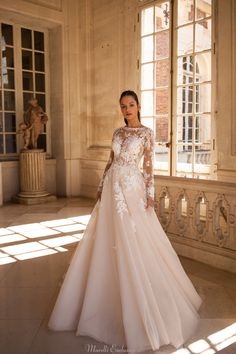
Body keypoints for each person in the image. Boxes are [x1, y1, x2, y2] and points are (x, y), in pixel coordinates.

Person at [48, 90, 202, 352]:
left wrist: (150, 195)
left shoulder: (146, 133)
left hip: (132, 188)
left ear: (138, 106)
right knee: (107, 239)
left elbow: (149, 167)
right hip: (111, 187)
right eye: (122, 106)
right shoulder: (118, 133)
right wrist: (100, 185)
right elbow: (110, 161)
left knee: (134, 238)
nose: (127, 109)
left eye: (131, 105)